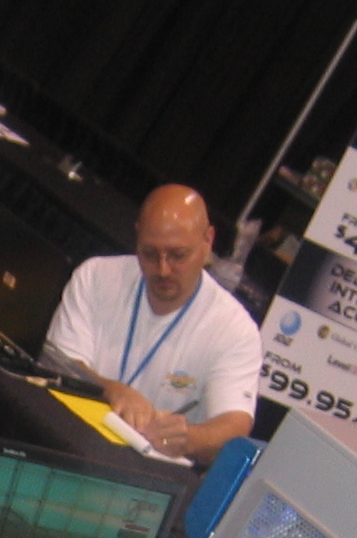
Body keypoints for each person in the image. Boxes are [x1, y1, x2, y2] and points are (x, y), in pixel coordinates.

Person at [42, 184, 260, 461]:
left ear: (208, 240)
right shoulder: (97, 276)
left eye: (178, 255)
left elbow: (234, 428)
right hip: (66, 438)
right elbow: (56, 363)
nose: (163, 269)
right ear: (137, 236)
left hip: (146, 467)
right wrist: (110, 389)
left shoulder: (235, 330)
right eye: (149, 253)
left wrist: (189, 438)